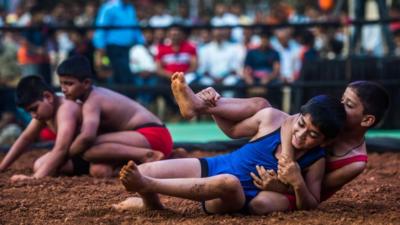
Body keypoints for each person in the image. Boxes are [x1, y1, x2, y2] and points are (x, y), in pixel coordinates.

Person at [113, 72, 346, 214]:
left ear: (325, 141)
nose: (302, 135)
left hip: (234, 196)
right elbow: (233, 130)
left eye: (313, 135)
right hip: (215, 165)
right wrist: (214, 109)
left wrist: (296, 183)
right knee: (144, 169)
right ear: (298, 116)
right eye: (302, 124)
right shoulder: (274, 120)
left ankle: (148, 184)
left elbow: (311, 204)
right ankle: (152, 204)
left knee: (228, 182)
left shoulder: (316, 160)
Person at [191, 80, 390, 210]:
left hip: (298, 190)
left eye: (348, 105)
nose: (340, 105)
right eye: (342, 99)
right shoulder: (328, 119)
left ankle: (208, 107)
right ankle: (204, 104)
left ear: (366, 120)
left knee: (261, 203)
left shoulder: (355, 162)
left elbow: (315, 192)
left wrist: (283, 185)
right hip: (279, 167)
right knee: (262, 107)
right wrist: (286, 157)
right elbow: (288, 122)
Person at [56, 55, 173, 177]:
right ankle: (172, 158)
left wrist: (63, 156)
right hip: (152, 138)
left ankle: (147, 155)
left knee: (88, 149)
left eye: (69, 84)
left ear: (86, 83)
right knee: (99, 170)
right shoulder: (94, 95)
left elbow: (87, 137)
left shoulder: (92, 101)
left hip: (154, 136)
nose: (63, 89)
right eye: (61, 84)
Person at [0, 75, 86, 181]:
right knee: (40, 164)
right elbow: (25, 138)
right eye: (30, 112)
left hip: (91, 151)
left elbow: (61, 149)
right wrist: (2, 167)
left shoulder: (65, 109)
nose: (33, 115)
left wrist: (34, 178)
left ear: (48, 97)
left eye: (34, 109)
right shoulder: (47, 108)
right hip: (78, 153)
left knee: (41, 165)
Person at [93, 0, 144, 84]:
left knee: (128, 75)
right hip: (114, 48)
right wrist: (100, 46)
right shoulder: (109, 7)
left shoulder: (130, 8)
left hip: (129, 48)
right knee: (118, 75)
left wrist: (141, 42)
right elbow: (101, 28)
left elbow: (134, 27)